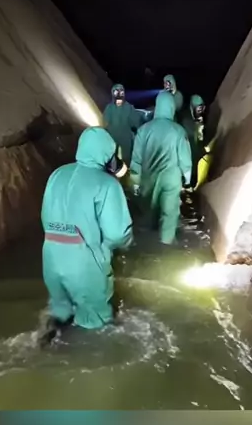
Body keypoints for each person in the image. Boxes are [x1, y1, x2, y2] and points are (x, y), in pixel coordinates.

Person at [39, 126, 134, 344]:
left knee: (59, 313)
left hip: (51, 259)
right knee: (94, 327)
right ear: (107, 153)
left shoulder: (57, 174)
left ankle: (45, 343)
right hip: (85, 265)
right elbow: (118, 233)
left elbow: (45, 216)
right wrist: (111, 247)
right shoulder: (107, 184)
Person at [130, 91, 192, 245]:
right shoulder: (178, 130)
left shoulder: (143, 130)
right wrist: (187, 177)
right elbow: (184, 158)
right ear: (172, 107)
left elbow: (136, 159)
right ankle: (166, 241)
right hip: (171, 177)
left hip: (148, 177)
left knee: (148, 209)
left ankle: (146, 242)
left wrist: (135, 181)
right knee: (170, 211)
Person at [103, 83, 147, 167]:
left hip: (123, 137)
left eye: (121, 93)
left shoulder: (127, 107)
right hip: (115, 137)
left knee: (123, 157)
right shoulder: (111, 107)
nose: (119, 95)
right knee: (112, 156)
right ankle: (114, 169)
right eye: (117, 93)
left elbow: (135, 122)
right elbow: (105, 122)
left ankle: (123, 170)